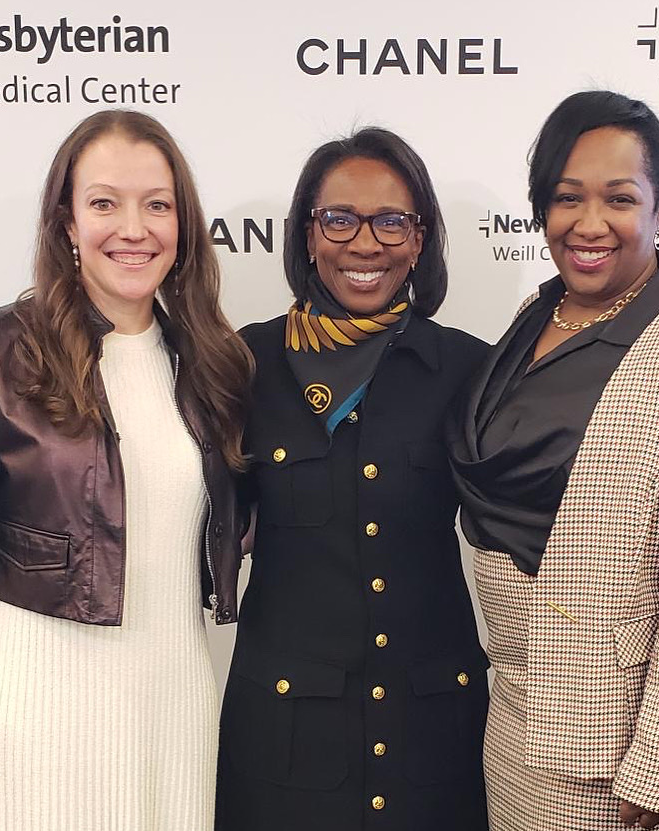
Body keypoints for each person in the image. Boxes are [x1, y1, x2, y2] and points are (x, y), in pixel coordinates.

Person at [447, 90, 659, 831]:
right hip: (520, 714)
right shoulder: (537, 314)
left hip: (624, 742)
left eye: (618, 198)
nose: (587, 223)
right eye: (566, 198)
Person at [0, 109, 253, 831]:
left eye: (157, 204)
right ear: (67, 223)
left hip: (174, 697)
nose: (134, 229)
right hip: (35, 704)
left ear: (183, 223)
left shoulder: (212, 363)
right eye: (105, 202)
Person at [217, 127, 490, 830]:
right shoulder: (243, 365)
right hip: (284, 747)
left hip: (432, 738)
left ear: (419, 238)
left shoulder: (470, 370)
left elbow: (534, 533)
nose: (365, 243)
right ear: (307, 236)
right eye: (339, 218)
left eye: (391, 220)